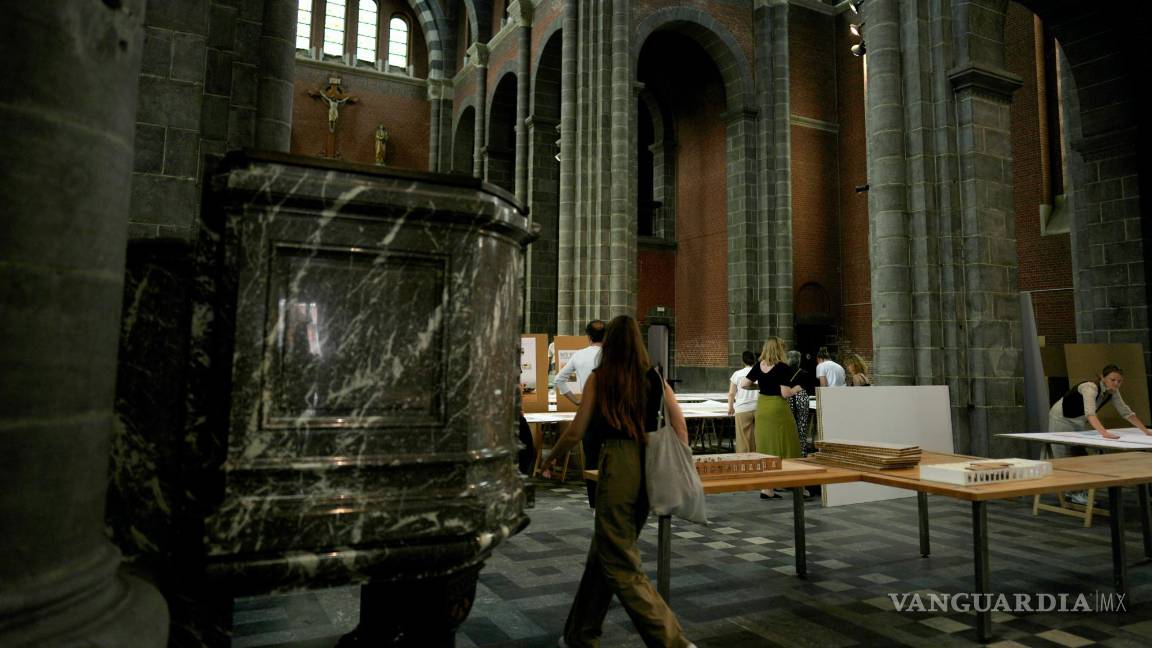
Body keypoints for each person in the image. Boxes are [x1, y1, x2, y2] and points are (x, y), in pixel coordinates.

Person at [541, 315, 695, 648]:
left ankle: (673, 641)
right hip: (650, 461)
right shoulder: (654, 377)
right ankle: (580, 633)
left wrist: (549, 459)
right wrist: (680, 465)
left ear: (608, 344)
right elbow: (679, 425)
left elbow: (577, 431)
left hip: (619, 462)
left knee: (620, 561)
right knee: (605, 552)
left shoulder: (600, 377)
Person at [1049, 364, 1152, 504]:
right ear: (1103, 378)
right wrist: (1104, 433)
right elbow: (1090, 413)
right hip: (1061, 418)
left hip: (1078, 420)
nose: (1116, 383)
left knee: (1080, 454)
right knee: (1063, 454)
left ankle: (1079, 490)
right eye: (1112, 380)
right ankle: (1071, 492)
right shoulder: (1089, 388)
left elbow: (1126, 412)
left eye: (1119, 381)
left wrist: (1145, 430)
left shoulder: (1113, 391)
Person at [741, 337, 803, 499]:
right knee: (789, 444)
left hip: (762, 408)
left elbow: (743, 384)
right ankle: (797, 486)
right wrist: (798, 387)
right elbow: (785, 393)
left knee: (766, 447)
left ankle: (766, 489)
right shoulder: (782, 367)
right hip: (778, 408)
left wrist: (760, 385)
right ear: (779, 350)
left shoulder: (758, 365)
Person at [555, 319, 606, 506]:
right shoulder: (613, 354)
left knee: (591, 456)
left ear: (588, 337)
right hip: (612, 412)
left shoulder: (579, 355)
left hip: (590, 411)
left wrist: (576, 400)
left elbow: (559, 380)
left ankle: (593, 500)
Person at [727, 350, 759, 452]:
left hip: (742, 408)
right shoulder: (760, 372)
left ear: (743, 361)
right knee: (757, 437)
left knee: (743, 439)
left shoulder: (737, 374)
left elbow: (731, 393)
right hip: (758, 407)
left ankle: (744, 459)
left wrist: (730, 407)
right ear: (754, 360)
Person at [785, 350, 813, 456]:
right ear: (799, 360)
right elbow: (809, 388)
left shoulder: (784, 372)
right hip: (802, 398)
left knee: (790, 425)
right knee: (802, 424)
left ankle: (791, 449)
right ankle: (802, 450)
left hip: (789, 398)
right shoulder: (804, 373)